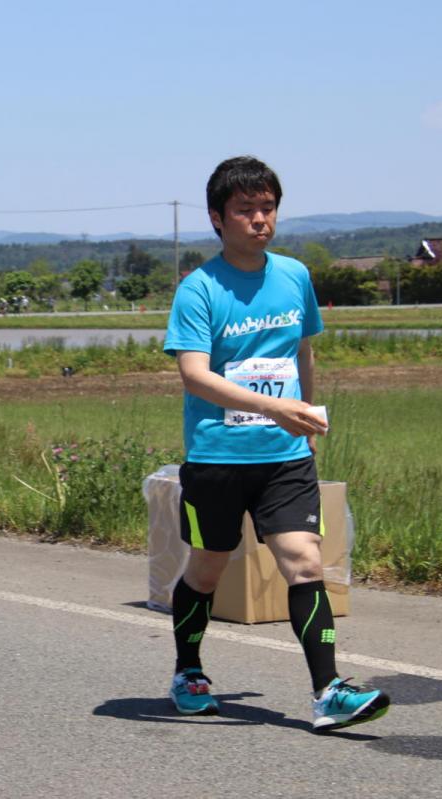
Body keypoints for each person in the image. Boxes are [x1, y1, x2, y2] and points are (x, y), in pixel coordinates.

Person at [161, 156, 390, 732]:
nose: (260, 220)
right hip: (216, 457)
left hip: (285, 457)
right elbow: (194, 375)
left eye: (268, 208)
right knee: (207, 570)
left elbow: (302, 351)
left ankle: (328, 690)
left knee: (305, 562)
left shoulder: (294, 276)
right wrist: (273, 407)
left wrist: (304, 419)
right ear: (217, 218)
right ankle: (189, 670)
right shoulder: (198, 290)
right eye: (246, 210)